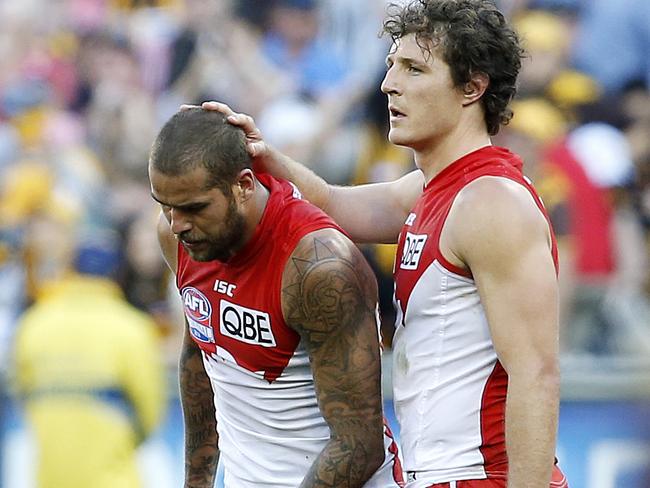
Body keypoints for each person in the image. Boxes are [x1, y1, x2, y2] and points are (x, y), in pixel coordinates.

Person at [202, 0, 569, 486]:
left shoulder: (490, 203)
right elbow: (332, 204)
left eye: (414, 69)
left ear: (473, 87)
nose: (388, 84)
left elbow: (536, 375)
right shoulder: (434, 190)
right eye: (392, 65)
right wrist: (268, 159)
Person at [148, 107, 403, 488]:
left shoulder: (319, 267)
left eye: (194, 208)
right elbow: (200, 354)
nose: (177, 223)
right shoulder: (182, 237)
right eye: (166, 205)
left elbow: (359, 446)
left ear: (244, 185)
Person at [13, 233, 166, 488]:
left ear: (70, 270)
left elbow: (22, 397)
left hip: (49, 479)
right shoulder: (132, 328)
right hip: (115, 479)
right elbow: (150, 412)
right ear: (117, 275)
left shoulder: (34, 324)